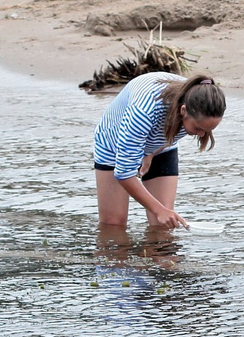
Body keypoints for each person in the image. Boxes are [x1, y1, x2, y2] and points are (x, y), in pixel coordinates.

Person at [93, 70, 225, 231]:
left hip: (160, 147)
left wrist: (151, 153)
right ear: (183, 110)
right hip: (112, 144)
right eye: (198, 128)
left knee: (163, 226)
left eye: (207, 130)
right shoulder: (144, 111)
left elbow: (175, 134)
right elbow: (123, 172)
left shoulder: (200, 99)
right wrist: (159, 209)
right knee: (113, 226)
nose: (201, 134)